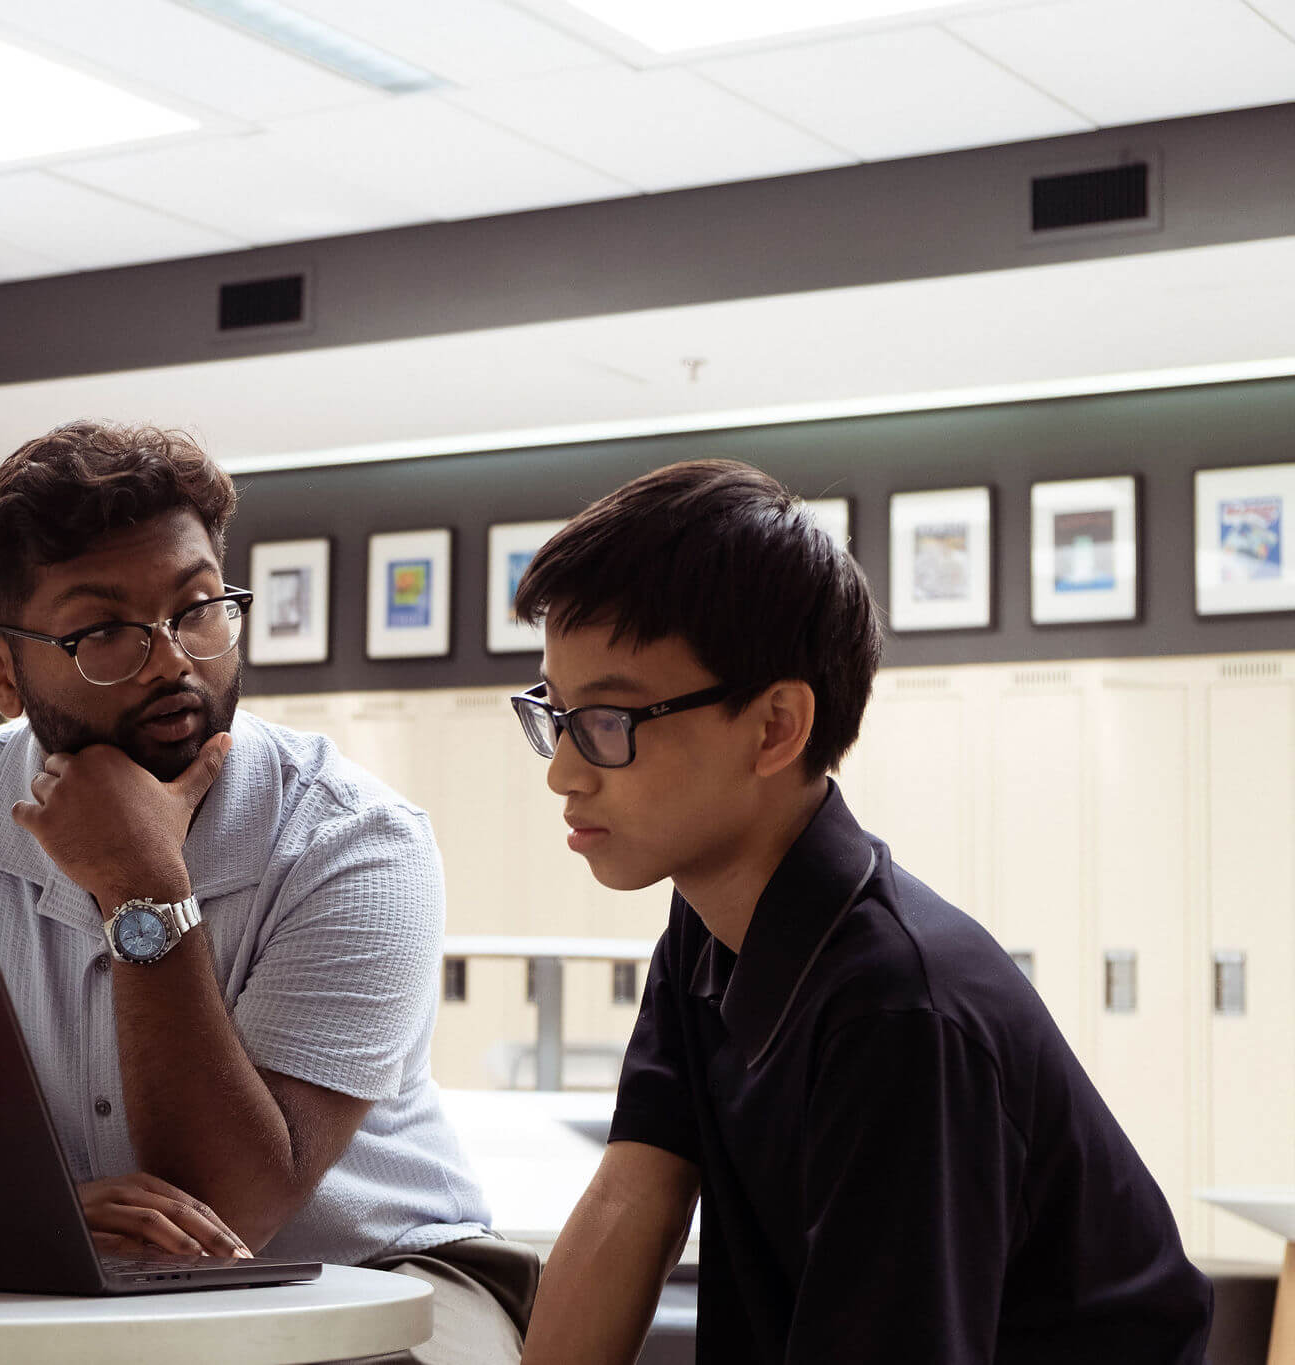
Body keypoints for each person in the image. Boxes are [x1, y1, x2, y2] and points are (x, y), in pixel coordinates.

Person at [0, 420, 536, 1363]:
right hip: (66, 1283)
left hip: (387, 1280)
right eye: (106, 630)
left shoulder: (355, 838)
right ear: (1, 673)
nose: (171, 660)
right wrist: (47, 1220)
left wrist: (142, 887)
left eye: (198, 606)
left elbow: (227, 1210)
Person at [513, 460, 1212, 1364]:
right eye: (555, 714)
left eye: (608, 720)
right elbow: (631, 1195)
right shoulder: (705, 930)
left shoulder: (898, 1011)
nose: (563, 771)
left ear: (775, 728)